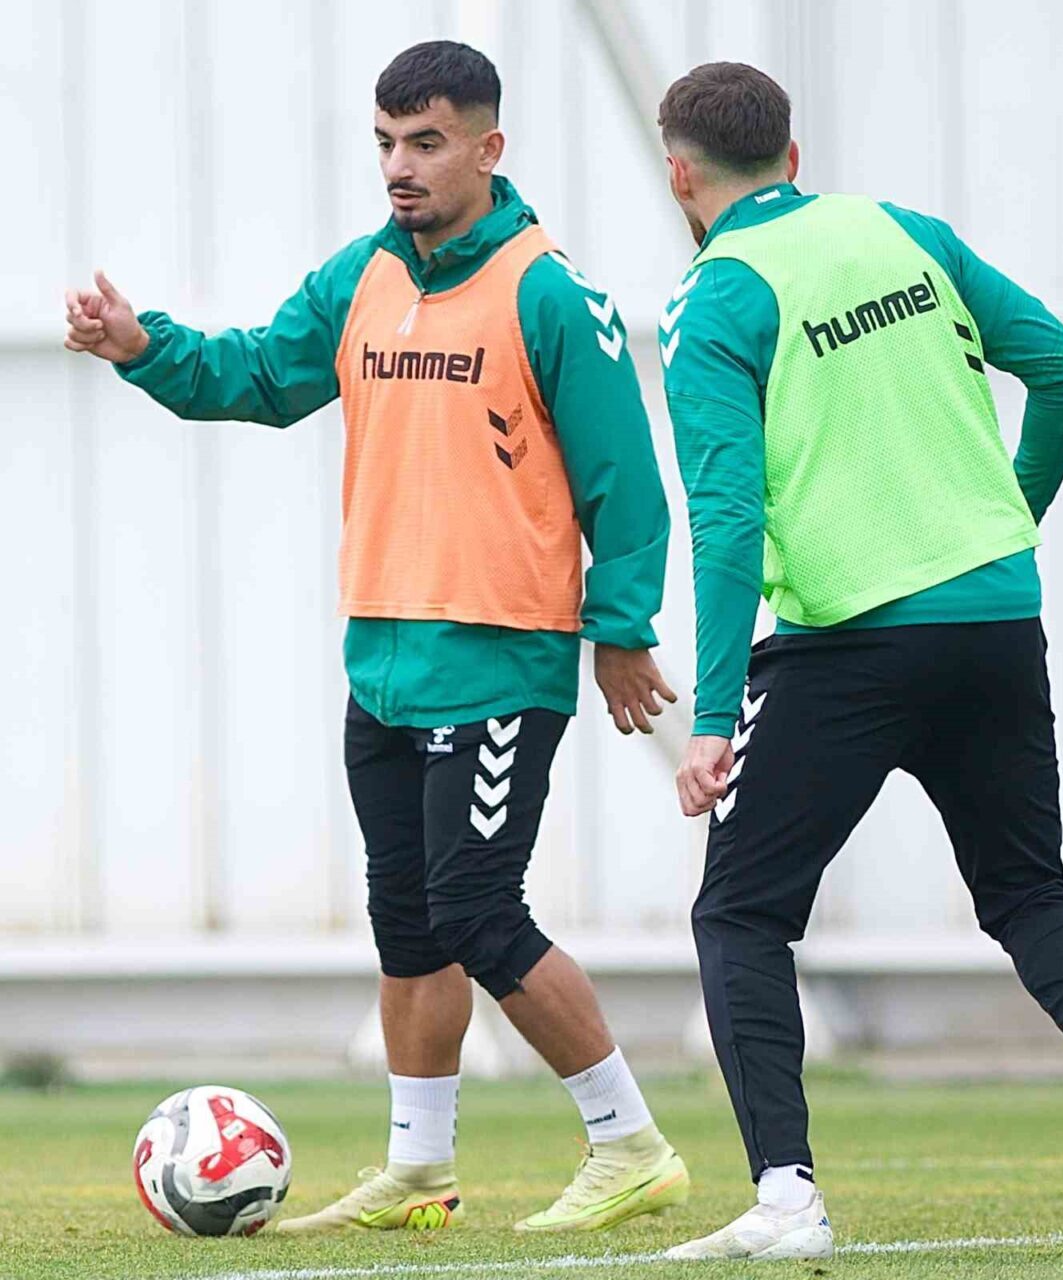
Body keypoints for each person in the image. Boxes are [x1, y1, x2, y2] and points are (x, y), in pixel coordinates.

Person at [64, 39, 689, 1236]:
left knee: (478, 912)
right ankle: (418, 1165)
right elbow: (260, 374)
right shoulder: (362, 276)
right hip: (383, 660)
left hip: (498, 656)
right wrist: (145, 348)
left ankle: (629, 1142)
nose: (400, 166)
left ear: (488, 149)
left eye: (427, 142)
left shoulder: (551, 292)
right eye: (387, 143)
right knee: (408, 924)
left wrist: (619, 630)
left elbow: (625, 481)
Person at [655, 62, 1063, 1261]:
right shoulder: (906, 232)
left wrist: (713, 711)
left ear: (680, 176)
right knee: (1027, 891)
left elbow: (726, 518)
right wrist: (1003, 521)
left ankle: (786, 1196)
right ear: (792, 157)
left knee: (739, 912)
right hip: (993, 617)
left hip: (845, 645)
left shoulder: (712, 299)